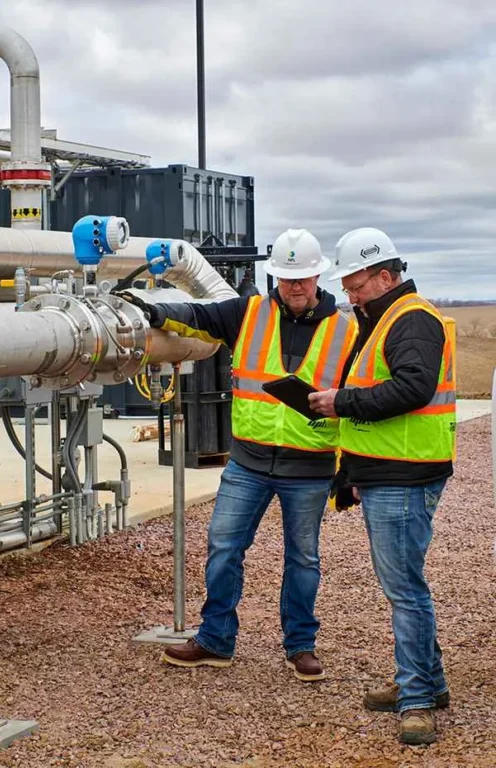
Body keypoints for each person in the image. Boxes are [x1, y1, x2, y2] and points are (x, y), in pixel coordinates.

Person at [117, 229, 357, 681]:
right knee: (224, 548)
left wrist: (350, 468)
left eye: (303, 278)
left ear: (318, 275)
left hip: (310, 467)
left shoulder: (347, 330)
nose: (296, 287)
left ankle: (300, 646)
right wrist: (153, 311)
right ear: (274, 278)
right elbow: (197, 316)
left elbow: (359, 399)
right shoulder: (249, 312)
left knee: (303, 558)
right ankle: (215, 639)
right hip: (247, 462)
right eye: (287, 279)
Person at [309, 227, 455, 746]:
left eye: (356, 285)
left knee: (405, 591)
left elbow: (412, 387)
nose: (349, 296)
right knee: (405, 586)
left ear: (386, 276)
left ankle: (416, 698)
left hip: (406, 473)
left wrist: (340, 403)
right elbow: (376, 387)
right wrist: (350, 472)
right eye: (346, 287)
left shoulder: (411, 319)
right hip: (389, 469)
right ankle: (426, 684)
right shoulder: (383, 318)